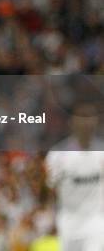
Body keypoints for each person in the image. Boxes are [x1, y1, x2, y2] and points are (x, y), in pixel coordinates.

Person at [45, 103, 104, 251]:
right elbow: (49, 189)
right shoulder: (57, 155)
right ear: (72, 122)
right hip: (68, 225)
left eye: (90, 117)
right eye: (82, 117)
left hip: (96, 224)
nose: (87, 122)